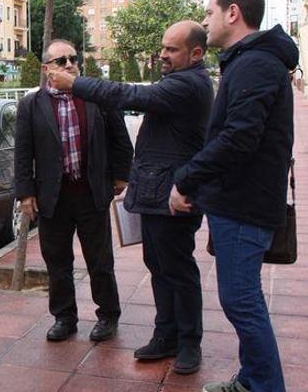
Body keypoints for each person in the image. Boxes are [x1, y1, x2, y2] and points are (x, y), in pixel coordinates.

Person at [46, 21, 214, 375]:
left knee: (178, 271)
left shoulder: (190, 84)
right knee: (159, 268)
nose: (163, 55)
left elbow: (131, 96)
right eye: (163, 47)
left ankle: (188, 344)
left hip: (174, 195)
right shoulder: (178, 79)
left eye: (171, 50)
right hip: (155, 194)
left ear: (196, 53)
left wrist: (75, 84)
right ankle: (166, 335)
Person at [169, 0, 297, 392]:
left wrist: (186, 179)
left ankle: (263, 385)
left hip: (245, 204)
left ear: (233, 13)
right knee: (241, 298)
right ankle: (252, 379)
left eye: (209, 12)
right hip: (238, 201)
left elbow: (239, 137)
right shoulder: (249, 60)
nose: (205, 21)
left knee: (242, 300)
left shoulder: (255, 63)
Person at [14, 39, 133, 342]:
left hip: (92, 192)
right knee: (57, 262)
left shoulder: (96, 98)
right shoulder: (32, 104)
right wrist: (25, 194)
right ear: (46, 69)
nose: (69, 64)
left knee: (100, 260)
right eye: (61, 61)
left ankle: (108, 315)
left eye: (73, 59)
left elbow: (120, 138)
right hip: (53, 197)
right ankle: (64, 317)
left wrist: (121, 175)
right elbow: (23, 152)